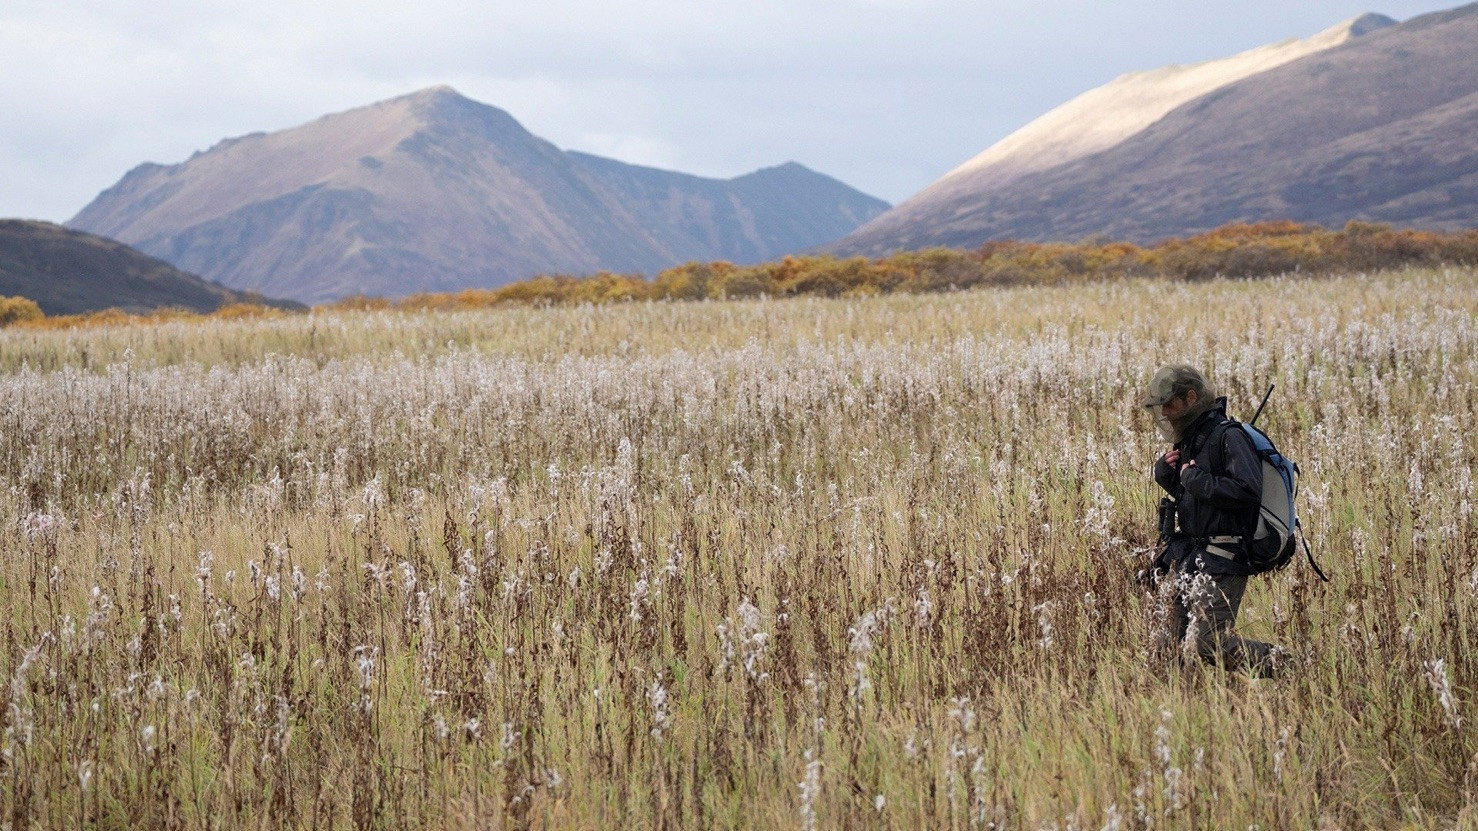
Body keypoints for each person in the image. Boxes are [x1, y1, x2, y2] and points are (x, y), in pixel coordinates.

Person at [1140, 364, 1284, 676]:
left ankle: (1295, 666)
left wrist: (1194, 479)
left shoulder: (1228, 436)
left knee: (1207, 644)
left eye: (1169, 404)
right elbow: (1204, 502)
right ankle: (1179, 711)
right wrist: (1169, 476)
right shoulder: (1195, 438)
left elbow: (1246, 491)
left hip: (1224, 558)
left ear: (1190, 398)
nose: (1164, 412)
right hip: (1193, 557)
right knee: (1169, 647)